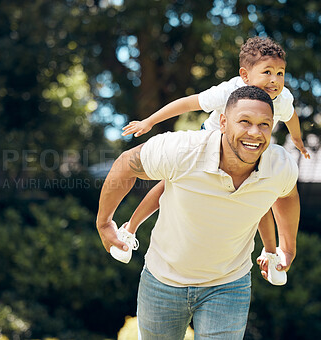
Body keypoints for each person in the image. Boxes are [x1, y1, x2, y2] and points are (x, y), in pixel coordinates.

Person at [96, 86, 300, 339]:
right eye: (245, 122)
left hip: (228, 285)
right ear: (223, 122)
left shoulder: (280, 165)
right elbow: (126, 163)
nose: (255, 133)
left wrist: (287, 247)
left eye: (264, 125)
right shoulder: (182, 150)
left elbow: (288, 195)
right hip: (162, 281)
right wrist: (104, 222)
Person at [112, 37, 308, 285]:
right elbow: (187, 103)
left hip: (248, 150)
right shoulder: (228, 91)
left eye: (280, 73)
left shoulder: (282, 98)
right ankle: (129, 229)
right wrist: (148, 121)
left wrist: (298, 140)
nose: (274, 80)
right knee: (166, 185)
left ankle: (270, 254)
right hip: (211, 143)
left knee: (260, 193)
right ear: (245, 75)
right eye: (267, 72)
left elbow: (291, 118)